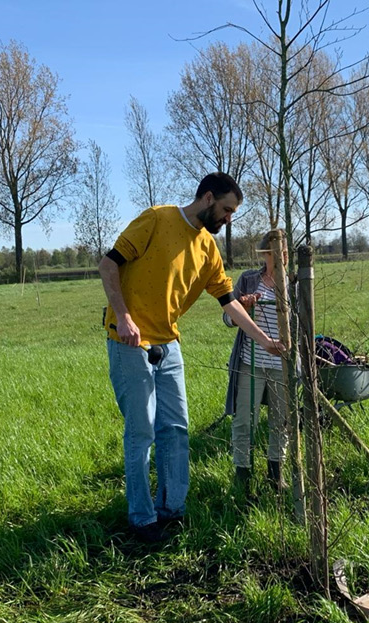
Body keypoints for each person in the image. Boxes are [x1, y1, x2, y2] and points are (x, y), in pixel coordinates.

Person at [99, 172, 284, 544]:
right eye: (227, 209)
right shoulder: (157, 219)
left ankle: (172, 509)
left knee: (177, 429)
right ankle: (141, 517)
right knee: (142, 432)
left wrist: (265, 339)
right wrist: (123, 316)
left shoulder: (207, 249)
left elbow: (229, 303)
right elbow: (108, 265)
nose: (229, 218)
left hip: (168, 344)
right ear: (208, 198)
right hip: (129, 341)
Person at [223, 229, 289, 493]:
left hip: (282, 367)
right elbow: (228, 319)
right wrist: (244, 308)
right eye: (268, 255)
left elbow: (305, 326)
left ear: (285, 254)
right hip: (251, 363)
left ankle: (276, 475)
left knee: (280, 420)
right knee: (243, 420)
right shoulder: (249, 280)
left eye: (277, 254)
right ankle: (243, 475)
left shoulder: (294, 284)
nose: (272, 259)